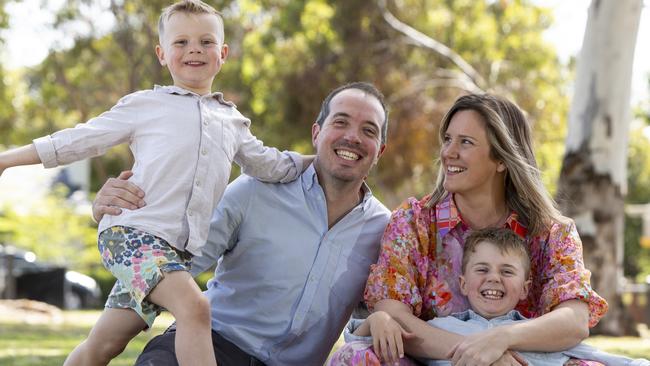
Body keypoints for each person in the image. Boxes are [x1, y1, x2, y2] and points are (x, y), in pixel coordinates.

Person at [0, 1, 308, 365]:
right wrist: (6, 160)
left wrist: (322, 157)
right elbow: (78, 139)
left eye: (206, 42)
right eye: (181, 42)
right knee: (195, 309)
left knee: (104, 344)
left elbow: (272, 165)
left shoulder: (233, 123)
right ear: (162, 54)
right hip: (131, 238)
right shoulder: (146, 105)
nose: (194, 48)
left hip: (172, 255)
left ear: (223, 54)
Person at [91, 81, 392, 366]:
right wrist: (123, 215)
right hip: (213, 348)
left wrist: (378, 320)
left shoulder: (384, 230)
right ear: (316, 132)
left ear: (380, 151)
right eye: (340, 122)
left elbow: (368, 319)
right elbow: (176, 256)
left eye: (368, 130)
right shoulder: (255, 190)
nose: (352, 136)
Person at [330, 93, 609, 366]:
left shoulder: (551, 232)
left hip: (521, 361)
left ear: (501, 159)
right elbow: (392, 312)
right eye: (448, 139)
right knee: (355, 356)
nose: (449, 153)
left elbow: (574, 321)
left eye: (465, 142)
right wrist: (480, 356)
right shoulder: (414, 221)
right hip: (434, 360)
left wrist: (501, 339)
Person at [336, 228, 649, 366]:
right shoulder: (443, 327)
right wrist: (378, 318)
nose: (493, 278)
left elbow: (598, 357)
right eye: (482, 269)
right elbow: (367, 341)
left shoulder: (533, 335)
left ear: (526, 288)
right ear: (463, 283)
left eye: (507, 272)